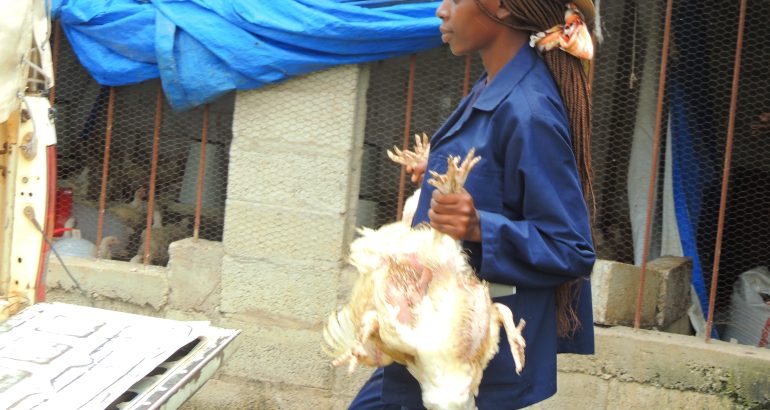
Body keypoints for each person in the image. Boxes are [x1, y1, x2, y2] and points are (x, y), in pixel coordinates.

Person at [349, 0, 597, 408]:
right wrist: (437, 176)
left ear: (499, 7)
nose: (441, 11)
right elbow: (500, 176)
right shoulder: (495, 84)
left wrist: (480, 226)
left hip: (472, 360)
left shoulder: (529, 109)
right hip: (434, 338)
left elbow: (571, 247)